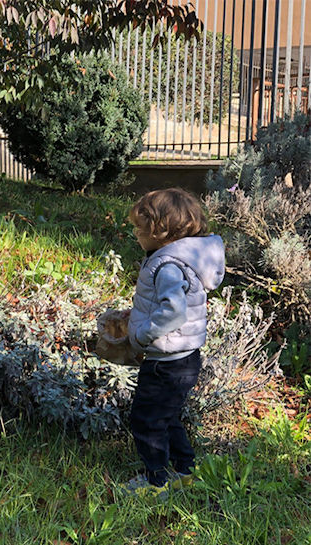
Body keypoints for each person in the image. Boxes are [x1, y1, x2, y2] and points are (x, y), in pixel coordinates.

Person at [122, 188, 225, 498]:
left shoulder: (167, 265)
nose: (136, 234)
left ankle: (157, 480)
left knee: (145, 420)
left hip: (165, 363)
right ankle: (185, 468)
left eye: (140, 228)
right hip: (184, 358)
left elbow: (174, 312)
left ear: (161, 231)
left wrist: (141, 335)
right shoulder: (180, 258)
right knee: (167, 416)